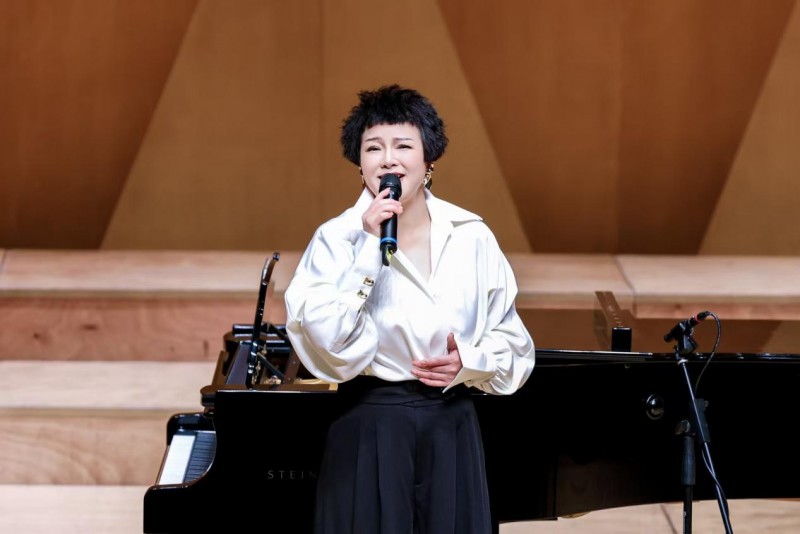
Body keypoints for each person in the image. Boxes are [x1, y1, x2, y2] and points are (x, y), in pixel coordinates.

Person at [284, 84, 535, 534]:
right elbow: (325, 344)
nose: (388, 160)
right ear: (359, 164)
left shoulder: (472, 235)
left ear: (428, 159)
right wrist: (367, 250)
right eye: (373, 148)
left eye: (403, 146)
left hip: (450, 424)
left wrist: (470, 362)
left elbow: (514, 344)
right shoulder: (335, 239)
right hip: (370, 425)